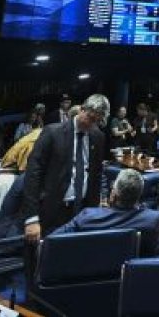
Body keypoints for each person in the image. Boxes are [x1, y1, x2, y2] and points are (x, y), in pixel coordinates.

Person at [22, 94, 108, 241]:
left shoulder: (98, 137)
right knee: (45, 258)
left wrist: (95, 209)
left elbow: (96, 174)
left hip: (84, 211)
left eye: (97, 121)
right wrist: (31, 218)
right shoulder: (52, 132)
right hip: (53, 211)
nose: (91, 124)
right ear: (81, 109)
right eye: (90, 118)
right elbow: (33, 174)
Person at [48, 169, 159, 257]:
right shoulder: (152, 220)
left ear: (114, 193)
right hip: (130, 280)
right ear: (140, 195)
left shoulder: (87, 217)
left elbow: (51, 240)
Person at [0, 127, 41, 220]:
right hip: (8, 180)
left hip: (5, 178)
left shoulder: (31, 137)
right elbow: (24, 169)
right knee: (1, 221)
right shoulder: (34, 140)